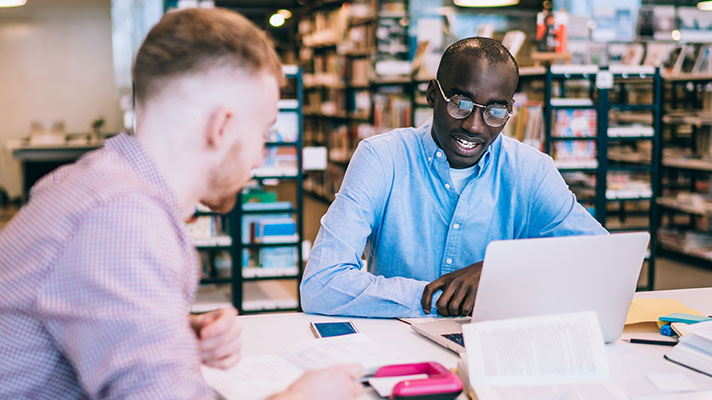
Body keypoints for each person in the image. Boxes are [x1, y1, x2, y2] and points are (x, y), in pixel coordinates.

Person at [0, 8, 362, 400]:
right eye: (264, 131)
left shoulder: (94, 183)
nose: (261, 156)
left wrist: (170, 329)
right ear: (221, 127)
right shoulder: (121, 220)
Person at [300, 37, 607, 319]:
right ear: (432, 95)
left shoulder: (531, 170)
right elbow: (321, 285)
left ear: (510, 109)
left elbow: (601, 259)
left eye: (495, 110)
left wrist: (501, 273)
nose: (474, 126)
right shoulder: (382, 158)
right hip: (400, 346)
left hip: (497, 345)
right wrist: (438, 298)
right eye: (460, 104)